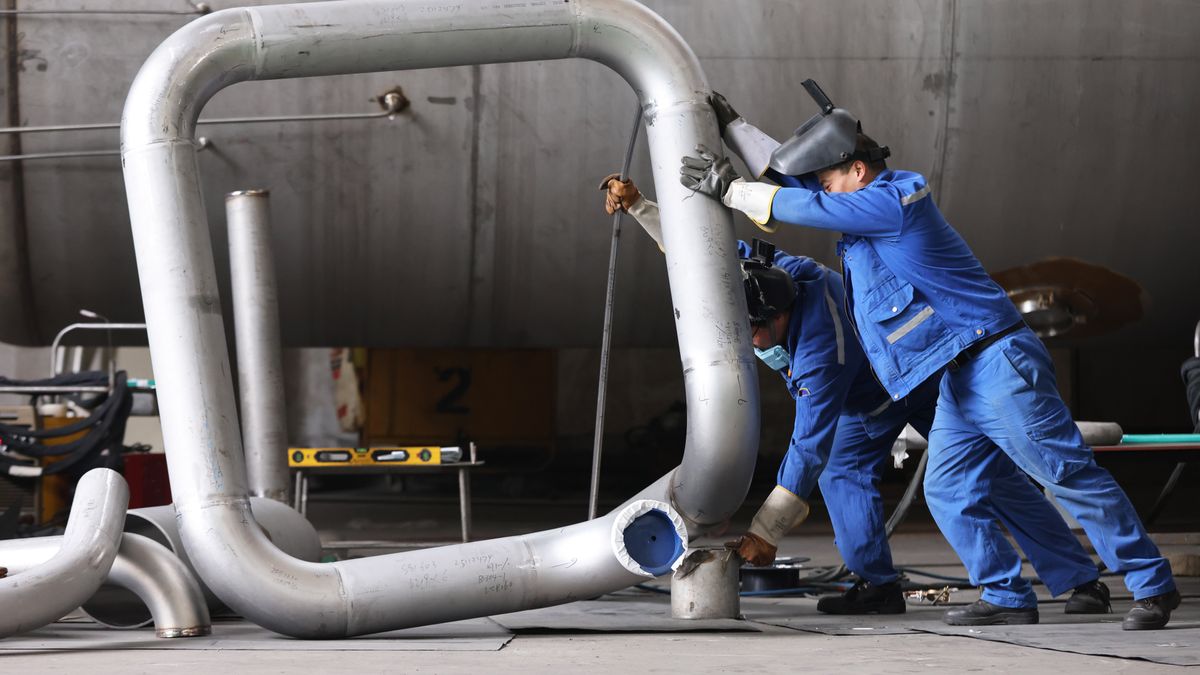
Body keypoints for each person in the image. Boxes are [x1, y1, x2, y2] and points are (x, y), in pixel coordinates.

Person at [678, 81, 1178, 630]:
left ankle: (1152, 585)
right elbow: (800, 189)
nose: (821, 190)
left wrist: (734, 191)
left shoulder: (898, 201)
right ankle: (1007, 595)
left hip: (997, 361)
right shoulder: (862, 215)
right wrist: (737, 130)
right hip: (956, 377)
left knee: (1064, 473)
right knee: (948, 489)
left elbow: (806, 202)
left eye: (829, 180)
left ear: (858, 171)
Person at [600, 174, 1110, 619]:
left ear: (777, 317)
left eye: (754, 333)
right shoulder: (771, 273)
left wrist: (765, 531)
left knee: (950, 473)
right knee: (862, 476)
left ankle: (1076, 580)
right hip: (892, 377)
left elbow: (808, 445)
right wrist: (641, 207)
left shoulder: (821, 355)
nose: (751, 344)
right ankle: (884, 586)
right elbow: (703, 256)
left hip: (903, 386)